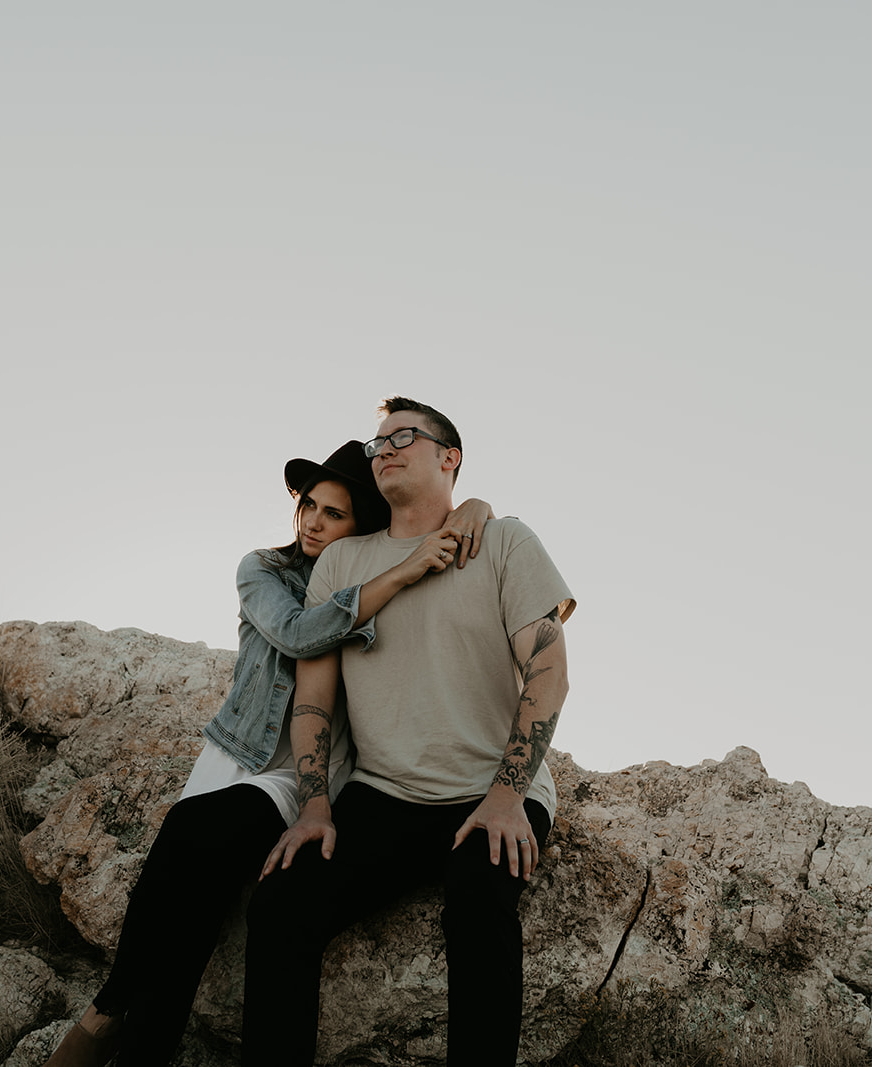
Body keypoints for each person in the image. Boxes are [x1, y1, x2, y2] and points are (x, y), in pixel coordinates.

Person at [45, 439, 493, 1067]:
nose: (313, 521)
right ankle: (130, 1030)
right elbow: (298, 632)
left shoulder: (366, 571)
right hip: (238, 753)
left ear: (360, 522)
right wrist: (403, 572)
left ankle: (104, 1013)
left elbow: (451, 522)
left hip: (309, 772)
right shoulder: (264, 569)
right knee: (193, 917)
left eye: (334, 513)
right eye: (309, 505)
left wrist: (475, 505)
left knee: (191, 831)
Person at [241, 397, 575, 1066]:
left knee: (479, 910)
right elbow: (313, 696)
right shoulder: (342, 564)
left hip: (491, 789)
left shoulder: (505, 541)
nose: (383, 448)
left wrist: (508, 795)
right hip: (384, 794)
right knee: (281, 902)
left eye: (404, 436)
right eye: (376, 442)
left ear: (449, 457)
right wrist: (313, 805)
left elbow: (548, 671)